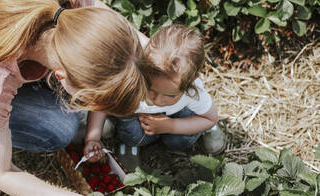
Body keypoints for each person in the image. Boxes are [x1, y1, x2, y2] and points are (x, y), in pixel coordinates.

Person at [0, 0, 150, 196]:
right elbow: (1, 173)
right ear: (61, 76)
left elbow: (113, 24)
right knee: (57, 130)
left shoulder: (71, 12)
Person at [84, 24, 226, 171]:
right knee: (132, 133)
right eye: (150, 88)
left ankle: (206, 130)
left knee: (179, 141)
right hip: (140, 117)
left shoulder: (192, 91)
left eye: (170, 95)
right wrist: (92, 137)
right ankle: (130, 143)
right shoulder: (134, 76)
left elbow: (210, 118)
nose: (157, 100)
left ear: (191, 80)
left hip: (177, 117)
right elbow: (102, 102)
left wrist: (171, 126)